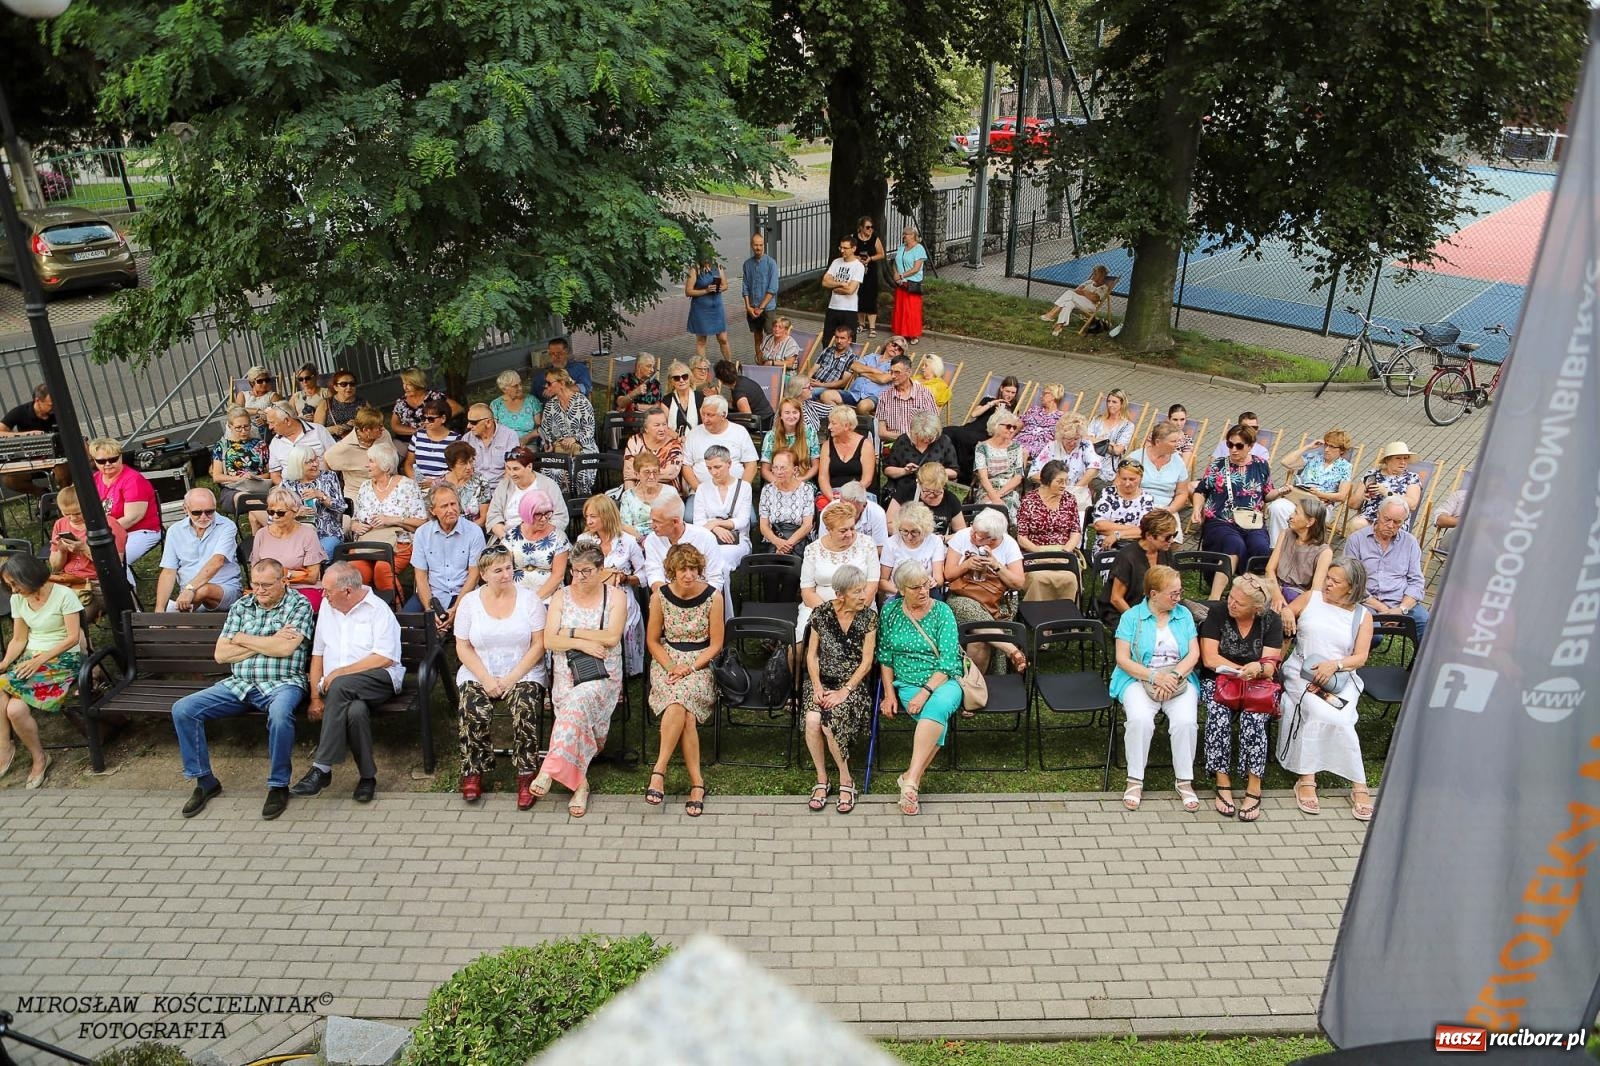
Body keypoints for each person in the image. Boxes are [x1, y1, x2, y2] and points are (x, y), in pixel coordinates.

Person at [169, 559, 315, 820]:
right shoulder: (241, 606)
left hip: (282, 683)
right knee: (184, 709)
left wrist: (242, 639)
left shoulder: (299, 605)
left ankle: (278, 785)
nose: (259, 590)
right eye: (255, 584)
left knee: (280, 716)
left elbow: (285, 649)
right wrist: (269, 641)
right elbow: (221, 654)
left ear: (284, 581)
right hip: (239, 684)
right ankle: (205, 781)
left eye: (266, 585)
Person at [290, 562, 404, 804]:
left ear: (348, 591)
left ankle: (322, 768)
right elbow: (318, 654)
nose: (323, 595)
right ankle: (367, 778)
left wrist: (340, 673)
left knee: (341, 685)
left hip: (379, 679)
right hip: (340, 691)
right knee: (355, 711)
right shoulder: (328, 607)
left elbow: (384, 658)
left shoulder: (378, 610)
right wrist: (314, 698)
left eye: (327, 590)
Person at [1277, 558, 1376, 821]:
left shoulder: (1362, 616)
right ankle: (1306, 778)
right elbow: (1286, 613)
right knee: (1317, 711)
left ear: (1351, 587)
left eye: (1335, 581)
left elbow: (1361, 657)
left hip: (1339, 677)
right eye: (1328, 578)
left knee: (1342, 719)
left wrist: (1336, 665)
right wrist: (1287, 612)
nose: (1328, 583)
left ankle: (1358, 783)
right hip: (1302, 672)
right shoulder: (1311, 598)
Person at [533, 544, 625, 817]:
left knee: (576, 704)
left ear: (601, 570)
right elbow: (550, 640)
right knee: (573, 706)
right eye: (575, 571)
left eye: (586, 571)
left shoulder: (616, 597)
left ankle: (549, 769)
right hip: (566, 671)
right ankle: (581, 787)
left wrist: (569, 632)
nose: (579, 577)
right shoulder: (561, 596)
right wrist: (583, 642)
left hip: (602, 673)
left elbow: (611, 638)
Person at [453, 543, 546, 808]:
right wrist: (486, 679)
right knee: (472, 708)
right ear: (483, 574)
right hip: (480, 669)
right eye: (498, 570)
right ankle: (474, 770)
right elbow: (462, 646)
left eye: (508, 568)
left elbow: (538, 644)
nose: (506, 574)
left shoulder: (529, 599)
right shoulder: (469, 603)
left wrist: (510, 679)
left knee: (525, 707)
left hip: (522, 670)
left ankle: (526, 775)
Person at [1109, 565, 1202, 813]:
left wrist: (1173, 676)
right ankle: (1134, 780)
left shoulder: (1184, 615)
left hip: (1178, 678)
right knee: (1140, 720)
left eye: (1180, 592)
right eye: (1173, 593)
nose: (1178, 598)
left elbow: (1194, 654)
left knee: (1185, 722)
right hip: (1138, 677)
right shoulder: (1132, 617)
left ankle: (1184, 780)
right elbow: (1122, 659)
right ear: (1153, 594)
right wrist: (1154, 677)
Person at [643, 542, 724, 816]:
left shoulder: (714, 597)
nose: (689, 575)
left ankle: (659, 772)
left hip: (700, 662)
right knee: (682, 709)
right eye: (683, 570)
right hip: (667, 659)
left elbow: (716, 644)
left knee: (681, 701)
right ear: (673, 571)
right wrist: (671, 666)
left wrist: (689, 668)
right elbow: (653, 640)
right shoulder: (660, 597)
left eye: (693, 569)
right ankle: (697, 784)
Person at [878, 559, 964, 815]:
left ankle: (911, 780)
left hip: (943, 680)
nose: (923, 591)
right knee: (937, 721)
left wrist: (925, 692)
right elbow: (885, 657)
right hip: (907, 682)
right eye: (915, 587)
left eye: (925, 585)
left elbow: (949, 661)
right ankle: (909, 781)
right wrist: (889, 694)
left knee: (936, 709)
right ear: (901, 590)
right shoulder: (890, 612)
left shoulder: (942, 612)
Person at [1199, 575, 1286, 823]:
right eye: (1231, 597)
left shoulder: (1271, 620)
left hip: (1256, 684)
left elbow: (1270, 665)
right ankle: (1222, 781)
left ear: (1257, 608)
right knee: (1218, 715)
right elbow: (1210, 659)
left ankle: (1254, 785)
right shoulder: (1217, 613)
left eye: (1239, 602)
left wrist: (1258, 669)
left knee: (1255, 718)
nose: (1232, 604)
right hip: (1219, 680)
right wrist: (1241, 670)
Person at [0, 554, 84, 788]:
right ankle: (39, 757)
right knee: (15, 709)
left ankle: (4, 749)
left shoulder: (64, 595)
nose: (13, 590)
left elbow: (72, 638)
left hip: (62, 659)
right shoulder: (18, 599)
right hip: (32, 659)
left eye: (15, 583)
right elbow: (19, 639)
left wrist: (41, 660)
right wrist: (5, 663)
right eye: (9, 585)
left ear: (29, 575)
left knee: (1, 685)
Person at [801, 564, 877, 814]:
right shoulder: (821, 614)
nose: (864, 596)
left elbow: (867, 662)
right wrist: (817, 686)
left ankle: (846, 779)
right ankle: (822, 779)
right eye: (857, 592)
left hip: (852, 686)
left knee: (828, 721)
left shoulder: (869, 617)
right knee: (813, 719)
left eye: (864, 590)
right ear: (840, 594)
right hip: (822, 682)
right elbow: (812, 655)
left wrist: (845, 690)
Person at [943, 508, 1028, 673]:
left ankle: (975, 684)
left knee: (979, 639)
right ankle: (1011, 649)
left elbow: (1018, 584)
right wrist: (966, 565)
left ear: (993, 538)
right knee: (970, 611)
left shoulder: (1009, 545)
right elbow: (948, 575)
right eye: (973, 530)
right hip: (963, 596)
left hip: (999, 602)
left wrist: (996, 566)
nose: (972, 535)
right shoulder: (962, 536)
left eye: (979, 536)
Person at [576, 494, 647, 676]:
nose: (589, 521)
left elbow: (643, 575)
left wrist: (625, 578)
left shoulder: (627, 541)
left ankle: (625, 668)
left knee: (623, 613)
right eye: (587, 516)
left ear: (606, 515)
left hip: (620, 594)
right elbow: (576, 573)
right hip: (591, 595)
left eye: (593, 516)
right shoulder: (584, 540)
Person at [1194, 423, 1275, 578]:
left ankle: (1249, 586)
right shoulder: (1218, 465)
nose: (1233, 450)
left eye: (1239, 446)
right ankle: (1217, 590)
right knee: (1234, 544)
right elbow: (1200, 490)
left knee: (1260, 546)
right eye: (1230, 445)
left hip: (1251, 521)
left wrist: (1280, 493)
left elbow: (1267, 494)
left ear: (1250, 446)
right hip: (1220, 520)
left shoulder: (1261, 465)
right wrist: (1197, 509)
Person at [1345, 496, 1429, 642]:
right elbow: (1351, 581)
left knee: (1427, 625)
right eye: (1387, 519)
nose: (1390, 525)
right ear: (1378, 514)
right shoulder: (1357, 540)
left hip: (1401, 603)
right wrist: (1384, 609)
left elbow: (1416, 582)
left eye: (1397, 522)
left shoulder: (1410, 542)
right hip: (1367, 602)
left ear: (1403, 522)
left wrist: (1401, 609)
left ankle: (1420, 657)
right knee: (1373, 636)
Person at [798, 501, 881, 639]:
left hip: (861, 607)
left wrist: (850, 613)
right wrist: (829, 614)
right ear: (829, 529)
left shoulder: (867, 544)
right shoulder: (812, 550)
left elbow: (872, 585)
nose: (849, 534)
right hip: (819, 607)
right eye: (843, 531)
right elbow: (807, 591)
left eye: (852, 528)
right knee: (803, 634)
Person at [406, 484, 485, 629]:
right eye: (444, 506)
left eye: (453, 504)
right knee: (405, 626)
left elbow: (474, 576)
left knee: (466, 627)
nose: (451, 510)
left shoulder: (474, 532)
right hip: (432, 593)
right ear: (432, 510)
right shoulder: (422, 533)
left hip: (463, 594)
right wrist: (430, 610)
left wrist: (456, 608)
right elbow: (421, 577)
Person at [48, 484, 127, 629]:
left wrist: (83, 548)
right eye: (66, 513)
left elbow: (115, 564)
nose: (72, 518)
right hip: (70, 581)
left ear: (88, 506)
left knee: (69, 621)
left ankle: (78, 640)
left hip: (98, 583)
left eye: (77, 513)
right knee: (49, 617)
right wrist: (62, 551)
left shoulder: (108, 524)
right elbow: (55, 567)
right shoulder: (60, 524)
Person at [351, 443, 427, 594]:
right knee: (357, 572)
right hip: (367, 543)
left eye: (371, 461)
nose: (366, 465)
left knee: (383, 568)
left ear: (385, 465)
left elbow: (422, 523)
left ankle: (393, 605)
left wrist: (392, 520)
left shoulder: (407, 486)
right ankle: (361, 605)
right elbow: (355, 519)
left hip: (399, 543)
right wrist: (355, 526)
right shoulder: (365, 487)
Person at [155, 488, 241, 613]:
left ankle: (178, 615)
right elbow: (168, 571)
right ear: (185, 509)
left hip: (223, 591)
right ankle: (175, 615)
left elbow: (218, 561)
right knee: (169, 612)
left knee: (204, 590)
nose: (204, 517)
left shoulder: (227, 526)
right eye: (197, 513)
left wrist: (190, 589)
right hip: (188, 597)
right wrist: (159, 609)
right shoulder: (174, 531)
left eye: (209, 512)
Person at [1266, 431, 1353, 544]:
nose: (1327, 449)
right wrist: (1308, 447)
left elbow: (1342, 496)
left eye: (1332, 446)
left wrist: (1320, 494)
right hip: (1298, 499)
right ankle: (1277, 546)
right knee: (1276, 507)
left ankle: (1298, 546)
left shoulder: (1345, 467)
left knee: (1305, 518)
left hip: (1319, 505)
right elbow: (1285, 462)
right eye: (1326, 445)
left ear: (1342, 450)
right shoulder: (1314, 457)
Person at [1100, 510, 1179, 631]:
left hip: (1156, 607)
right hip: (1126, 610)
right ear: (1149, 536)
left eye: (1174, 535)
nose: (1171, 540)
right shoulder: (1127, 557)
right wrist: (1140, 621)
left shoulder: (1165, 552)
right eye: (1167, 537)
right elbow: (1116, 599)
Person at [1016, 460, 1082, 602]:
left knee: (1070, 578)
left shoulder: (1069, 499)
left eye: (1066, 481)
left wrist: (1065, 553)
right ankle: (1037, 612)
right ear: (1047, 481)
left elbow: (1075, 531)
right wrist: (1042, 555)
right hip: (1035, 552)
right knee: (1038, 578)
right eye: (1059, 481)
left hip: (1063, 551)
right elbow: (1022, 537)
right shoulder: (1029, 501)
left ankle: (1066, 613)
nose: (1064, 485)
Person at [1264, 497, 1334, 632]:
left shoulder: (1324, 552)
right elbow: (1269, 569)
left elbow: (1315, 591)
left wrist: (1289, 609)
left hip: (1299, 597)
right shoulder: (1285, 534)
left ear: (1310, 522)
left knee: (1280, 618)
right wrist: (1277, 595)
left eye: (1296, 513)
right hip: (1274, 586)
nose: (1290, 516)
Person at [89, 438, 162, 567]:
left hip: (140, 531)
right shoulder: (94, 479)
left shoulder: (133, 480)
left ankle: (125, 581)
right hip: (109, 531)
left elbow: (132, 518)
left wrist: (101, 533)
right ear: (94, 461)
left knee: (114, 559)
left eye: (113, 459)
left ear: (121, 456)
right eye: (101, 461)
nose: (107, 464)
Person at [251, 487, 327, 608]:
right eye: (271, 512)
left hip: (302, 588)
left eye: (280, 513)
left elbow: (312, 577)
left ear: (295, 511)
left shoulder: (308, 534)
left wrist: (285, 574)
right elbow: (255, 571)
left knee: (293, 606)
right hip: (267, 589)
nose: (275, 516)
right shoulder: (261, 534)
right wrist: (294, 574)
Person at [883, 410, 959, 526]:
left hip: (934, 491)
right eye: (922, 437)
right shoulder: (903, 441)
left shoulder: (944, 441)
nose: (926, 440)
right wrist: (905, 471)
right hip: (905, 492)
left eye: (930, 438)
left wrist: (934, 472)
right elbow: (887, 469)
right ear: (914, 432)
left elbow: (954, 471)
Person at [642, 494, 727, 595]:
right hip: (667, 596)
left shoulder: (705, 537)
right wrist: (669, 598)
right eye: (652, 520)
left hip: (703, 596)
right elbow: (654, 574)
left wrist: (697, 600)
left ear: (675, 521)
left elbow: (715, 579)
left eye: (657, 522)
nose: (652, 526)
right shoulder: (652, 540)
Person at [1028, 413, 1100, 530]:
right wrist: (1053, 483)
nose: (1072, 442)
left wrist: (1075, 488)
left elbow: (1094, 468)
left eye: (1076, 438)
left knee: (1075, 527)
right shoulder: (1051, 446)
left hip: (1077, 494)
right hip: (1051, 492)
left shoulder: (1085, 445)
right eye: (1068, 439)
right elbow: (1033, 473)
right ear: (1061, 436)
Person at [692, 445, 754, 573]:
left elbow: (743, 521)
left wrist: (715, 523)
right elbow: (698, 522)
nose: (713, 472)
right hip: (708, 538)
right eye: (709, 468)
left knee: (720, 559)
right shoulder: (702, 488)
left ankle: (719, 587)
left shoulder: (744, 487)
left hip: (737, 540)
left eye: (717, 467)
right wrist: (716, 528)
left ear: (729, 463)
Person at [946, 376, 1022, 480]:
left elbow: (1005, 429)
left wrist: (1000, 413)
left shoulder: (1013, 409)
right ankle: (946, 466)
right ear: (1001, 388)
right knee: (948, 431)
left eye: (1013, 393)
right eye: (1007, 391)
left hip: (987, 434)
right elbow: (974, 414)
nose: (1009, 395)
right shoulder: (988, 400)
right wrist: (992, 403)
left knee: (964, 438)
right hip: (972, 428)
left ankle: (962, 473)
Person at [539, 368, 599, 494]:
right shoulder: (550, 406)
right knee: (548, 469)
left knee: (580, 471)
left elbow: (589, 430)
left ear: (562, 383)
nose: (546, 386)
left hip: (583, 447)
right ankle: (558, 500)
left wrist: (575, 438)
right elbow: (545, 430)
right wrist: (548, 444)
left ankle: (580, 499)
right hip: (559, 449)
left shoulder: (582, 402)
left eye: (549, 383)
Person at [486, 447, 567, 540]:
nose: (511, 474)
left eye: (516, 469)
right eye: (508, 468)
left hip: (542, 538)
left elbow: (560, 518)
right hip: (507, 537)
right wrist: (506, 539)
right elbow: (493, 516)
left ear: (529, 467)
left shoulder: (549, 485)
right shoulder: (504, 485)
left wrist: (536, 538)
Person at [281, 446, 347, 559]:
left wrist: (322, 496)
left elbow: (342, 507)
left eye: (315, 459)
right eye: (309, 462)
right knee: (292, 556)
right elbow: (276, 514)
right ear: (298, 465)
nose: (315, 464)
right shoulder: (287, 483)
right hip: (296, 535)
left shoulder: (328, 477)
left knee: (315, 556)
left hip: (327, 533)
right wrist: (295, 513)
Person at [211, 406, 272, 528]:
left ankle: (260, 539)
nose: (243, 431)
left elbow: (270, 473)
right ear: (230, 427)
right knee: (251, 501)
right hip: (233, 490)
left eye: (246, 426)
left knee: (254, 516)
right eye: (238, 428)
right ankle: (277, 530)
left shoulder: (260, 445)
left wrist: (255, 478)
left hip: (258, 486)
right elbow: (217, 477)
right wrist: (240, 478)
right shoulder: (222, 446)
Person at [1124, 422, 1192, 529]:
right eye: (1173, 441)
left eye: (1177, 441)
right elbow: (1120, 485)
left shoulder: (1178, 462)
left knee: (1172, 536)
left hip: (1165, 509)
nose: (1177, 445)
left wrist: (1170, 510)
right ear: (1158, 442)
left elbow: (1182, 493)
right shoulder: (1135, 458)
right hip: (1136, 504)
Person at [682, 395, 759, 488]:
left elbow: (751, 464)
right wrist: (699, 490)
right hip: (700, 490)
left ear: (723, 415)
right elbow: (686, 466)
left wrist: (741, 490)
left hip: (735, 490)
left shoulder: (739, 432)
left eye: (710, 415)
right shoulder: (694, 434)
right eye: (703, 414)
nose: (705, 419)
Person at [0, 384, 67, 492]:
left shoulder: (58, 413)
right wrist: (27, 435)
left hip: (57, 459)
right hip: (31, 460)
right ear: (37, 400)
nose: (54, 408)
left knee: (63, 475)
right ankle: (43, 495)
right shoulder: (21, 412)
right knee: (10, 480)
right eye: (50, 405)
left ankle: (64, 497)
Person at [1346, 440, 1422, 534]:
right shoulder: (1372, 474)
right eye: (1398, 458)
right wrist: (1362, 496)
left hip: (1394, 522)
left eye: (1405, 458)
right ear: (1387, 460)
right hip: (1369, 519)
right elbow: (1352, 505)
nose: (1403, 462)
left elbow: (1412, 504)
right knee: (1356, 524)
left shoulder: (1412, 477)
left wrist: (1386, 492)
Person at [506, 489, 570, 601]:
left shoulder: (559, 537)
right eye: (538, 514)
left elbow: (558, 576)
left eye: (547, 513)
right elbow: (504, 568)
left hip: (548, 596)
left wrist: (534, 600)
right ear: (527, 513)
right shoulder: (512, 535)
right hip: (516, 595)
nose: (544, 518)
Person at [323, 407, 394, 497]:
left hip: (388, 487)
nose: (383, 429)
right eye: (379, 427)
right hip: (359, 493)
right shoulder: (344, 447)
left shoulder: (384, 435)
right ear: (366, 430)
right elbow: (326, 461)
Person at [878, 501, 944, 597]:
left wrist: (934, 582)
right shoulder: (891, 543)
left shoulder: (935, 541)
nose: (909, 537)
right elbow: (882, 581)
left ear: (925, 529)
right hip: (898, 594)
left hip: (925, 594)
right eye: (904, 531)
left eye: (914, 532)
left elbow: (939, 580)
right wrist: (907, 592)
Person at [757, 451, 817, 556]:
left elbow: (807, 525)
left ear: (795, 469)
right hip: (773, 540)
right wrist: (777, 542)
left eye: (783, 468)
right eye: (775, 467)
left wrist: (786, 545)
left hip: (799, 540)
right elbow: (764, 526)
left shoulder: (806, 489)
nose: (778, 472)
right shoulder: (767, 490)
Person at [973, 409, 1028, 520]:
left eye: (1014, 427)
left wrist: (998, 496)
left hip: (1008, 490)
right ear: (996, 425)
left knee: (1006, 509)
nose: (1012, 430)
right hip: (987, 489)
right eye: (1008, 426)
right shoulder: (982, 447)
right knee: (986, 513)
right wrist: (993, 496)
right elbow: (983, 477)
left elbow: (1018, 477)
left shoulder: (1016, 447)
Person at [875, 351, 938, 443]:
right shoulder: (885, 396)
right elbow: (881, 432)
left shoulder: (924, 394)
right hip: (894, 445)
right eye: (891, 372)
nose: (893, 376)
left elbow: (934, 427)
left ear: (908, 372)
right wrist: (907, 438)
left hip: (920, 444)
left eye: (897, 372)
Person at [817, 405, 875, 504]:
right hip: (833, 493)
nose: (829, 427)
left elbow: (867, 479)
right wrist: (832, 498)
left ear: (846, 426)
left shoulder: (866, 445)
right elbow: (823, 478)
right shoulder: (826, 446)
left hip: (858, 493)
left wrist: (848, 497)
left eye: (833, 423)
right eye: (829, 423)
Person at [264, 403, 336, 482]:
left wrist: (328, 484)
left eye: (272, 423)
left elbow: (336, 459)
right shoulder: (275, 442)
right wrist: (287, 488)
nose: (270, 427)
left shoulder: (318, 431)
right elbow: (275, 474)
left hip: (322, 485)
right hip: (290, 488)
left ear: (287, 420)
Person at [1092, 459, 1156, 548]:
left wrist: (1117, 535)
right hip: (1106, 545)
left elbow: (1146, 531)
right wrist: (1134, 529)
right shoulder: (1108, 493)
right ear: (1118, 476)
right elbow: (1099, 525)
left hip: (1135, 547)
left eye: (1132, 479)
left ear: (1140, 477)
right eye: (1124, 479)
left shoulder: (1146, 498)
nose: (1127, 483)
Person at [390, 367, 460, 445]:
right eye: (404, 383)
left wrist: (436, 420)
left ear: (418, 384)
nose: (405, 387)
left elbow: (457, 408)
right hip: (405, 440)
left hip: (431, 437)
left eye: (409, 384)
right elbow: (394, 425)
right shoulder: (401, 401)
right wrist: (417, 431)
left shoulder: (434, 397)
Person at [623, 406, 686, 491]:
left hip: (666, 492)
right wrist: (631, 496)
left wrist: (638, 475)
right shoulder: (635, 441)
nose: (662, 429)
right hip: (638, 490)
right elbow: (628, 474)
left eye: (664, 424)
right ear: (646, 428)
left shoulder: (674, 445)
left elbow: (670, 474)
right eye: (657, 425)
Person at [761, 397, 820, 484]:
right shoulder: (771, 436)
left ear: (800, 414)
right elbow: (765, 470)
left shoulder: (810, 432)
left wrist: (799, 480)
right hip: (777, 482)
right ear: (781, 416)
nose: (791, 416)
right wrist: (780, 483)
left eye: (795, 412)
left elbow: (816, 465)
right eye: (787, 413)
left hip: (802, 481)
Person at [685, 255, 733, 362]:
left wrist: (720, 288)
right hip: (701, 309)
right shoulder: (695, 269)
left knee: (723, 338)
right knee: (701, 341)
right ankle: (703, 366)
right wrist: (706, 291)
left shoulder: (717, 267)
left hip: (717, 308)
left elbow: (725, 285)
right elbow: (688, 291)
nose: (707, 258)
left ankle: (729, 364)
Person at [462, 403, 520, 491]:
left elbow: (511, 469)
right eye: (468, 421)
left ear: (488, 422)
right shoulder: (467, 438)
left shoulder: (509, 436)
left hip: (501, 488)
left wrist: (500, 492)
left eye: (473, 422)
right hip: (474, 489)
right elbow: (463, 469)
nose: (468, 426)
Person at [1041, 264, 1111, 335]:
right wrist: (1087, 294)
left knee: (1069, 293)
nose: (1093, 275)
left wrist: (1083, 292)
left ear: (1102, 276)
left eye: (1095, 274)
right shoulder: (1089, 282)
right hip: (1078, 302)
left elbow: (1095, 299)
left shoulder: (1104, 287)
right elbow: (1076, 291)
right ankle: (1059, 326)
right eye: (1093, 273)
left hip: (1091, 306)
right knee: (1069, 303)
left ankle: (1052, 314)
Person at [403, 397, 459, 486]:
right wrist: (416, 480)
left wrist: (435, 482)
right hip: (419, 484)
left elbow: (458, 469)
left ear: (443, 418)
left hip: (445, 486)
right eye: (423, 418)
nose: (426, 422)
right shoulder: (418, 435)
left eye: (430, 419)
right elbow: (408, 463)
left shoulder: (456, 440)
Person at [742, 233, 780, 356]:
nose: (758, 248)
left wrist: (761, 307)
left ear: (764, 245)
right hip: (753, 307)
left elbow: (773, 289)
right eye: (756, 245)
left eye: (760, 245)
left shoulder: (771, 263)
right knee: (757, 336)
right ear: (751, 245)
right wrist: (748, 307)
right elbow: (745, 287)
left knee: (772, 336)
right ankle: (759, 360)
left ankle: (771, 360)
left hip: (768, 308)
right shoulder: (747, 264)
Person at [436, 440, 490, 528]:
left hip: (473, 529)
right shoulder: (439, 485)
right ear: (451, 465)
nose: (469, 467)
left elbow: (483, 519)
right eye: (463, 463)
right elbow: (435, 518)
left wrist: (464, 532)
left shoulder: (481, 481)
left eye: (471, 461)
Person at [821, 234, 865, 341]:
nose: (842, 250)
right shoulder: (836, 262)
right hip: (833, 307)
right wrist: (841, 284)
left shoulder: (858, 266)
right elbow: (825, 282)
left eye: (845, 248)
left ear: (853, 249)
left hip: (849, 309)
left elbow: (850, 290)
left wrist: (834, 287)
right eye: (840, 247)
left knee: (848, 340)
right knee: (827, 339)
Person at [807, 325, 862, 409]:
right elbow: (814, 368)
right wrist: (808, 379)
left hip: (830, 388)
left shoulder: (852, 358)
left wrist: (821, 385)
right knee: (795, 386)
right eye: (837, 337)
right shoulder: (827, 350)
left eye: (842, 338)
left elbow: (843, 382)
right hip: (814, 382)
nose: (839, 341)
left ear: (849, 340)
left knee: (809, 393)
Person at [619, 451, 671, 540]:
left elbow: (674, 523)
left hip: (664, 539)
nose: (651, 476)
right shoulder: (628, 496)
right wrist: (642, 540)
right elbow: (625, 526)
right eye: (647, 472)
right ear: (637, 474)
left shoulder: (669, 492)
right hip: (636, 540)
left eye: (655, 472)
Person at [890, 224, 927, 343]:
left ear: (913, 235)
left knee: (911, 310)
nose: (903, 236)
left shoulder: (919, 249)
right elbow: (895, 262)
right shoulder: (901, 247)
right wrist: (896, 273)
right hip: (901, 283)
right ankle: (901, 332)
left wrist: (902, 275)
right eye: (903, 234)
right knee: (900, 308)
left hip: (912, 283)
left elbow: (916, 268)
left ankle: (913, 334)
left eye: (906, 234)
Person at [1087, 388, 1136, 477]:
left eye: (1114, 402)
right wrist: (1108, 444)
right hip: (1088, 461)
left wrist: (1095, 440)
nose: (1110, 405)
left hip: (1108, 468)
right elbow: (1086, 439)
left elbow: (1117, 451)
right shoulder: (1097, 419)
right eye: (1108, 401)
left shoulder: (1128, 426)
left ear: (1122, 404)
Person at [716, 359, 774, 429]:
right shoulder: (741, 379)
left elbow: (747, 418)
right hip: (768, 417)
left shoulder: (739, 394)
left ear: (721, 381)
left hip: (762, 423)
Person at [852, 216, 886, 337]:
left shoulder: (875, 239)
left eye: (872, 227)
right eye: (867, 227)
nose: (870, 229)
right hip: (857, 271)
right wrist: (858, 258)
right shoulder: (854, 238)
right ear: (861, 228)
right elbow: (849, 253)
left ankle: (872, 327)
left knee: (871, 297)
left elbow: (881, 254)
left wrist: (870, 258)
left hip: (870, 271)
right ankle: (861, 324)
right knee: (859, 296)